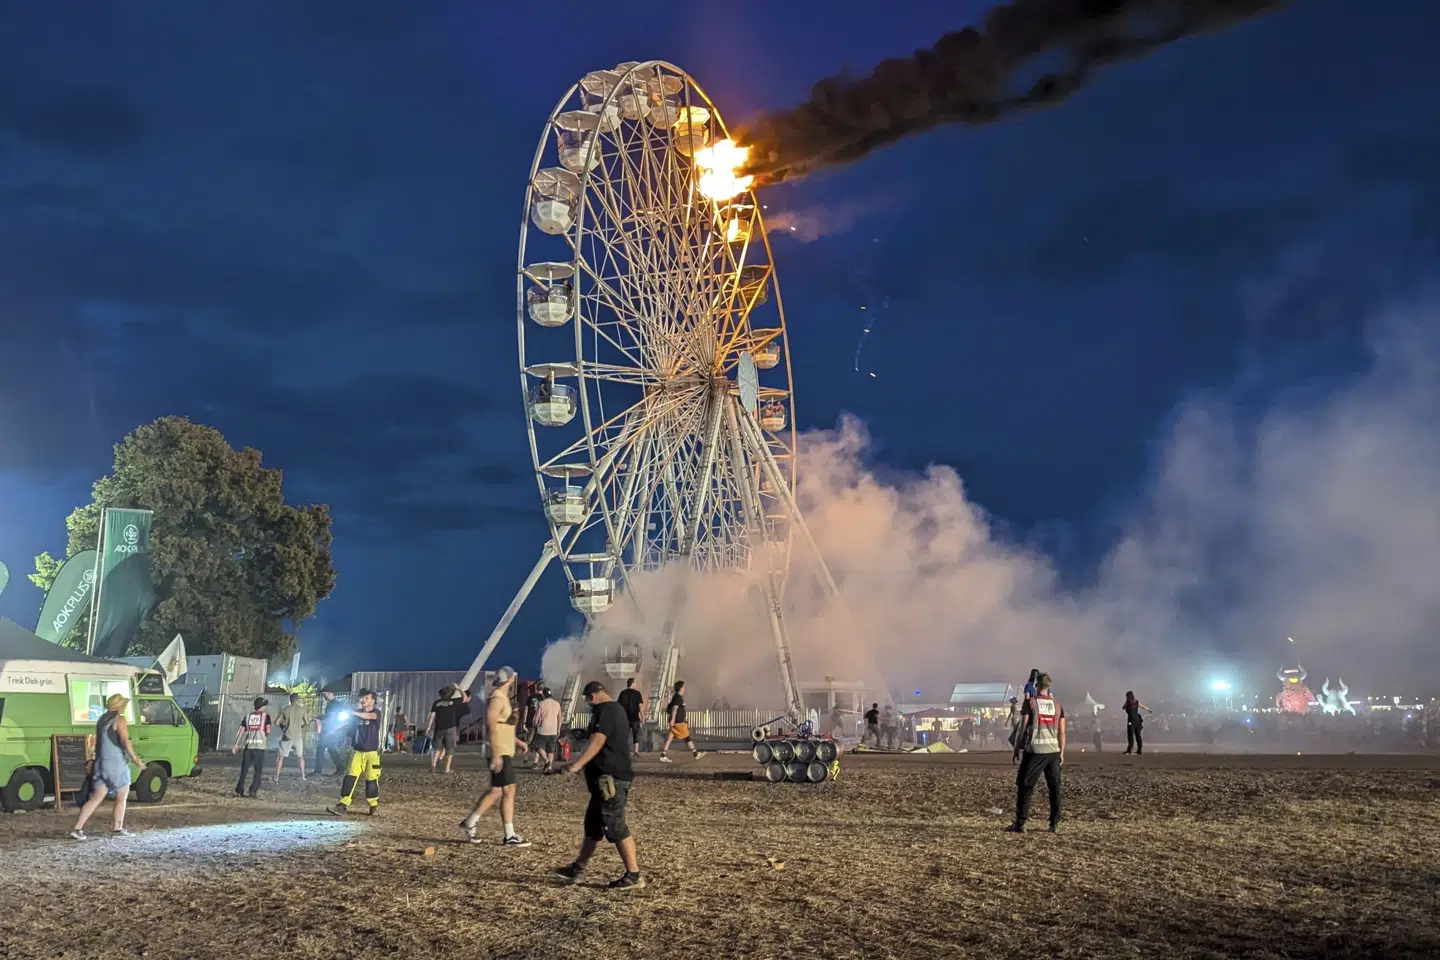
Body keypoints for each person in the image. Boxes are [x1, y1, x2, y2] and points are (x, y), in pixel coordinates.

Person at [555, 680, 644, 890]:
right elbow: (592, 734)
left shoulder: (606, 710)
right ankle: (577, 869)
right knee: (593, 825)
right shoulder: (613, 711)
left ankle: (634, 875)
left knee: (616, 825)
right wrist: (572, 733)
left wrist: (576, 765)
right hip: (603, 780)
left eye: (588, 699)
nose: (589, 703)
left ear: (594, 695)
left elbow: (598, 740)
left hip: (610, 779)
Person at [459, 667, 531, 847]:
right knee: (509, 791)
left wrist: (516, 741)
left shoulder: (501, 698)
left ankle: (469, 823)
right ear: (511, 679)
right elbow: (491, 726)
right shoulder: (497, 699)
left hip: (503, 749)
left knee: (497, 790)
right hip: (499, 751)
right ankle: (509, 835)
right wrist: (497, 754)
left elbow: (500, 726)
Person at [71, 693, 146, 839]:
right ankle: (117, 828)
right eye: (124, 704)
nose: (125, 706)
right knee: (122, 795)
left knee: (96, 798)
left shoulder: (102, 720)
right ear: (119, 706)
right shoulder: (120, 720)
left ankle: (77, 828)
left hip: (101, 763)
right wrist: (135, 759)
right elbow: (124, 741)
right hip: (116, 763)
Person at [1008, 672, 1065, 833]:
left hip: (1035, 750)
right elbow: (1062, 732)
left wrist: (1016, 748)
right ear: (1049, 686)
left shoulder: (1030, 703)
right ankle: (1054, 823)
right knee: (1054, 787)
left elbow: (1022, 728)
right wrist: (1062, 752)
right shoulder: (1058, 706)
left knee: (1025, 785)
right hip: (1053, 751)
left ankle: (1020, 822)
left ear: (1036, 685)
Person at [328, 690, 381, 816]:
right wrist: (333, 729)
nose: (363, 701)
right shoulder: (358, 714)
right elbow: (346, 722)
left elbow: (370, 717)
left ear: (373, 700)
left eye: (366, 698)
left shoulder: (376, 713)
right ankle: (342, 805)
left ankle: (374, 805)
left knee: (372, 779)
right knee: (349, 778)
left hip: (372, 754)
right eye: (362, 698)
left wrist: (352, 712)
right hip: (357, 752)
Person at [231, 696, 272, 798]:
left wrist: (236, 744)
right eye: (264, 705)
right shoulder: (266, 717)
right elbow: (268, 731)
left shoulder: (248, 716)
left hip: (248, 746)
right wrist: (265, 734)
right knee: (257, 771)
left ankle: (239, 790)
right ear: (261, 706)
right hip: (259, 747)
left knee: (244, 770)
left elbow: (241, 730)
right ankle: (253, 790)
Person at [660, 680, 705, 763]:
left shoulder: (676, 696)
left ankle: (663, 755)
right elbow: (674, 708)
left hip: (676, 722)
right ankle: (696, 754)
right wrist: (673, 719)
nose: (685, 689)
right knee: (687, 737)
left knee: (670, 738)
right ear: (680, 688)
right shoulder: (678, 697)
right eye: (684, 687)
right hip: (678, 722)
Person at [274, 693, 311, 782]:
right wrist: (301, 726)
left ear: (290, 700)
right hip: (298, 736)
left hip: (287, 736)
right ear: (297, 699)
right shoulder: (302, 710)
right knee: (300, 757)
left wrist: (283, 727)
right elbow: (307, 722)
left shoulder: (285, 709)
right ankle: (303, 776)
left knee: (281, 757)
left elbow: (276, 722)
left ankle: (277, 777)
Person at [314, 690, 348, 776]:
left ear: (329, 693)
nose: (324, 696)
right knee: (331, 749)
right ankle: (340, 769)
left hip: (329, 729)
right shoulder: (336, 704)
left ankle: (318, 771)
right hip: (333, 729)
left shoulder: (333, 704)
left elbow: (330, 716)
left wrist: (319, 718)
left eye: (324, 694)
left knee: (321, 748)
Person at [532, 687, 562, 772]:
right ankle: (549, 768)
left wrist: (535, 725)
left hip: (543, 730)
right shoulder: (557, 704)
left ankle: (547, 761)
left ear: (543, 695)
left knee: (537, 746)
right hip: (553, 731)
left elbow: (536, 718)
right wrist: (558, 729)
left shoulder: (541, 703)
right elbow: (560, 717)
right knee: (550, 750)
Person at [616, 677, 644, 757]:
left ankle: (622, 752)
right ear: (633, 683)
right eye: (635, 683)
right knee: (636, 735)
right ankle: (636, 752)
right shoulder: (637, 693)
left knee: (624, 736)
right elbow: (640, 707)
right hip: (635, 718)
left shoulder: (622, 693)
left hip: (625, 718)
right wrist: (642, 717)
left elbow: (619, 706)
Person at [1123, 691, 1152, 755]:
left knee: (1130, 735)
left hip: (1131, 721)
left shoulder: (1128, 703)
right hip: (1137, 721)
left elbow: (1123, 708)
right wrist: (1148, 710)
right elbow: (1142, 706)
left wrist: (1126, 703)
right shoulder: (1136, 702)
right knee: (1138, 735)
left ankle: (1129, 750)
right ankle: (1139, 750)